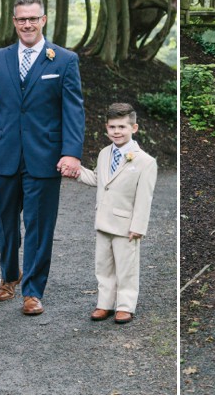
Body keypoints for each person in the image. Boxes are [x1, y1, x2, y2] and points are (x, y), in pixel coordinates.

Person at [0, 0, 85, 316]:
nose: (28, 24)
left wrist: (71, 153)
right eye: (22, 19)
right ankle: (8, 277)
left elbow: (72, 111)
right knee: (5, 222)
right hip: (5, 154)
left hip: (44, 156)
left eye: (33, 18)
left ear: (43, 20)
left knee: (38, 225)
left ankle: (33, 291)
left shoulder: (63, 60)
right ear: (14, 21)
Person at [68, 103, 157, 324]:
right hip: (103, 220)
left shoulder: (145, 161)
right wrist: (76, 172)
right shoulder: (104, 154)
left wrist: (138, 226)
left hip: (126, 225)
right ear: (106, 129)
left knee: (126, 267)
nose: (116, 131)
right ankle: (105, 303)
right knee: (103, 266)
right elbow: (99, 180)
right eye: (112, 127)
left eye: (122, 127)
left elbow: (144, 198)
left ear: (134, 128)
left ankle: (125, 305)